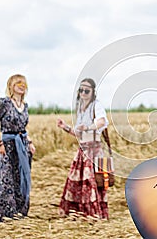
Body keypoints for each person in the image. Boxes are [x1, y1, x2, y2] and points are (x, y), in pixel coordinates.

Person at [0, 74, 36, 226]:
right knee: (4, 182)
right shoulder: (4, 103)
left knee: (21, 180)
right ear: (11, 86)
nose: (21, 85)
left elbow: (22, 128)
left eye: (24, 83)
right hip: (7, 147)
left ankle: (16, 215)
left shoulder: (25, 106)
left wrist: (30, 142)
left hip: (23, 147)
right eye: (18, 83)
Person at [57, 78, 109, 220]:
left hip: (94, 150)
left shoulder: (96, 106)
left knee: (93, 182)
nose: (83, 93)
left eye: (87, 90)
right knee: (78, 182)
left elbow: (101, 121)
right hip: (82, 150)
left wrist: (89, 127)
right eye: (81, 90)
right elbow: (79, 133)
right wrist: (65, 127)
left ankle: (94, 213)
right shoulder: (81, 109)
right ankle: (79, 213)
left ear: (93, 92)